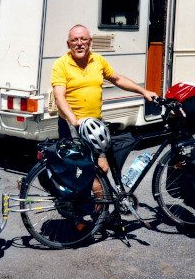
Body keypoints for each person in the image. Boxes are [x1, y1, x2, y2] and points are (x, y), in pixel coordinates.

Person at [51, 24, 158, 202]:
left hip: (95, 125)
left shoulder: (98, 61)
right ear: (68, 44)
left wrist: (143, 91)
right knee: (83, 171)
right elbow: (59, 97)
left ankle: (97, 210)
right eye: (74, 40)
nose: (79, 43)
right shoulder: (61, 64)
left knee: (102, 168)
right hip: (72, 125)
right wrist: (75, 121)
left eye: (83, 39)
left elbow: (117, 79)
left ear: (90, 42)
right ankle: (92, 212)